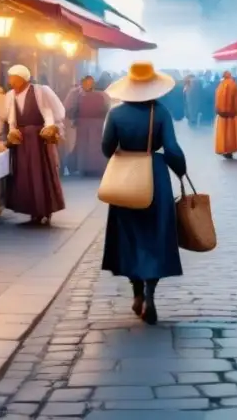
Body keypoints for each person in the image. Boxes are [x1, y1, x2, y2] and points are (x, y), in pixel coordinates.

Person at [102, 63, 186, 325]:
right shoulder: (161, 113)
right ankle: (150, 293)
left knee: (130, 237)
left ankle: (136, 293)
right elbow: (171, 149)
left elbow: (107, 148)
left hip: (126, 181)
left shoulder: (115, 114)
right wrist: (180, 171)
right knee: (155, 238)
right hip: (155, 178)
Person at [0, 65, 66, 225]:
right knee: (24, 174)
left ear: (21, 78)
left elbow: (50, 112)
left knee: (41, 173)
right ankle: (31, 210)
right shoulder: (10, 95)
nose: (10, 81)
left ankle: (45, 209)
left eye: (12, 78)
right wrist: (1, 133)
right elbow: (4, 116)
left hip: (39, 139)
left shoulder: (41, 91)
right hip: (20, 140)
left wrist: (49, 127)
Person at [64, 76, 111, 177]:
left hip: (98, 124)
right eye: (87, 83)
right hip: (83, 124)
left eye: (91, 83)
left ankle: (97, 168)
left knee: (96, 147)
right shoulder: (76, 94)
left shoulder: (102, 94)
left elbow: (107, 108)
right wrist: (74, 117)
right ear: (82, 83)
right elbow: (69, 108)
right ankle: (83, 168)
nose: (89, 85)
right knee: (83, 147)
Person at [214, 71, 237, 159]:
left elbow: (217, 100)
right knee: (231, 133)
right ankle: (230, 149)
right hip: (232, 115)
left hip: (222, 115)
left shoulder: (220, 86)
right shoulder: (234, 85)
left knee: (223, 133)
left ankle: (223, 148)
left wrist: (218, 110)